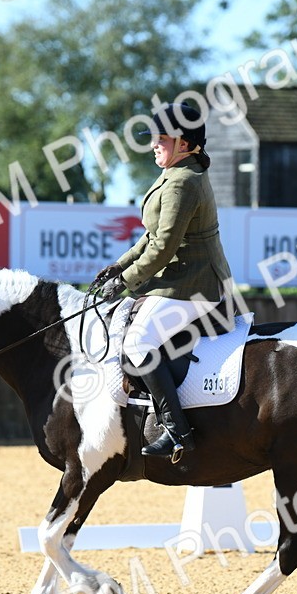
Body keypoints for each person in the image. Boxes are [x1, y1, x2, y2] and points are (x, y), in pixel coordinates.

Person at [92, 103, 233, 462]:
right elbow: (150, 235)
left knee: (139, 341)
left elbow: (163, 247)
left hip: (193, 284)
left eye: (161, 139)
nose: (154, 144)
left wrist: (125, 281)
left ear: (184, 144)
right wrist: (117, 267)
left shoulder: (183, 182)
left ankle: (176, 430)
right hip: (181, 280)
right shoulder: (176, 172)